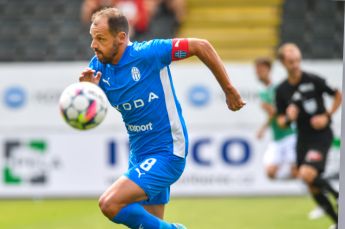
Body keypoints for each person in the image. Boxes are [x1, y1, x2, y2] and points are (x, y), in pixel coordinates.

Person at [79, 7, 245, 229]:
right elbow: (92, 115)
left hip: (168, 152)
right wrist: (90, 94)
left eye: (100, 38)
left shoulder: (149, 53)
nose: (94, 45)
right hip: (139, 155)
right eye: (92, 38)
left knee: (109, 203)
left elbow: (201, 46)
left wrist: (228, 89)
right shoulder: (98, 68)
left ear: (121, 37)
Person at [275, 43, 342, 229]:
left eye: (297, 60)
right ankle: (338, 223)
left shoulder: (313, 80)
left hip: (321, 136)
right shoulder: (281, 90)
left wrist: (327, 115)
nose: (295, 64)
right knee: (311, 183)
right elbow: (280, 120)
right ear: (283, 63)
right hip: (303, 138)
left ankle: (339, 196)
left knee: (306, 173)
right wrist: (289, 117)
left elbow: (338, 95)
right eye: (290, 61)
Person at [254, 57, 297, 180]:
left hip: (289, 134)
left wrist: (263, 127)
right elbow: (271, 114)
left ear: (269, 70)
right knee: (270, 172)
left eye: (261, 69)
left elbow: (283, 110)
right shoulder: (263, 92)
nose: (258, 72)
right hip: (277, 137)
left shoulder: (278, 89)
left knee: (297, 172)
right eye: (257, 70)